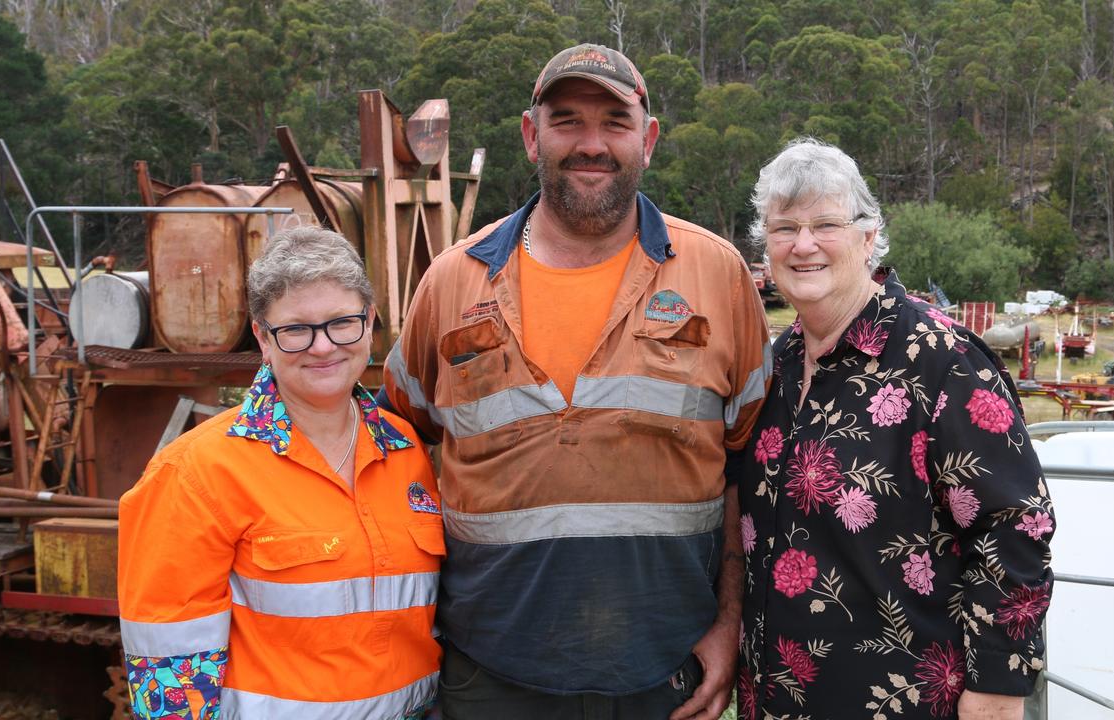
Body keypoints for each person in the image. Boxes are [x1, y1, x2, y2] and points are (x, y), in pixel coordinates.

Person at [379, 43, 771, 720]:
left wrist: (730, 620)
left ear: (647, 139)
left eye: (614, 123)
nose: (592, 144)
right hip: (491, 674)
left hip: (667, 671)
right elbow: (397, 446)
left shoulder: (718, 275)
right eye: (567, 121)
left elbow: (748, 468)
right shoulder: (452, 282)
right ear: (532, 136)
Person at [735, 139, 1054, 720]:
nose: (803, 245)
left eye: (825, 224)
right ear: (766, 247)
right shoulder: (774, 366)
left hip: (902, 700)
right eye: (784, 228)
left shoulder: (942, 359)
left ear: (867, 236)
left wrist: (998, 691)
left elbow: (1014, 527)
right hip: (776, 700)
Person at [118, 227, 444, 719]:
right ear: (262, 337)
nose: (322, 347)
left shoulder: (406, 453)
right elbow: (170, 675)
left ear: (370, 322)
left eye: (342, 322)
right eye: (295, 329)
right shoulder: (195, 473)